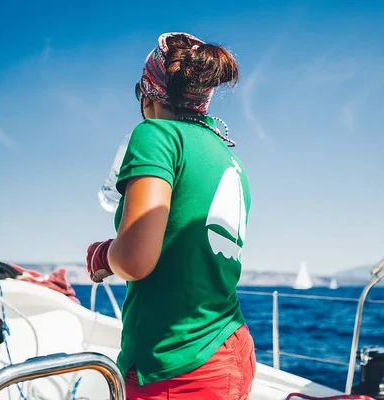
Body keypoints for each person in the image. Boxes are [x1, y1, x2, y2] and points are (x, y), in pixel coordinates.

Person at [86, 32, 255, 400]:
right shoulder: (229, 157)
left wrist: (104, 255)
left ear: (148, 95)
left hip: (178, 365)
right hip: (230, 346)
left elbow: (134, 260)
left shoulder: (154, 135)